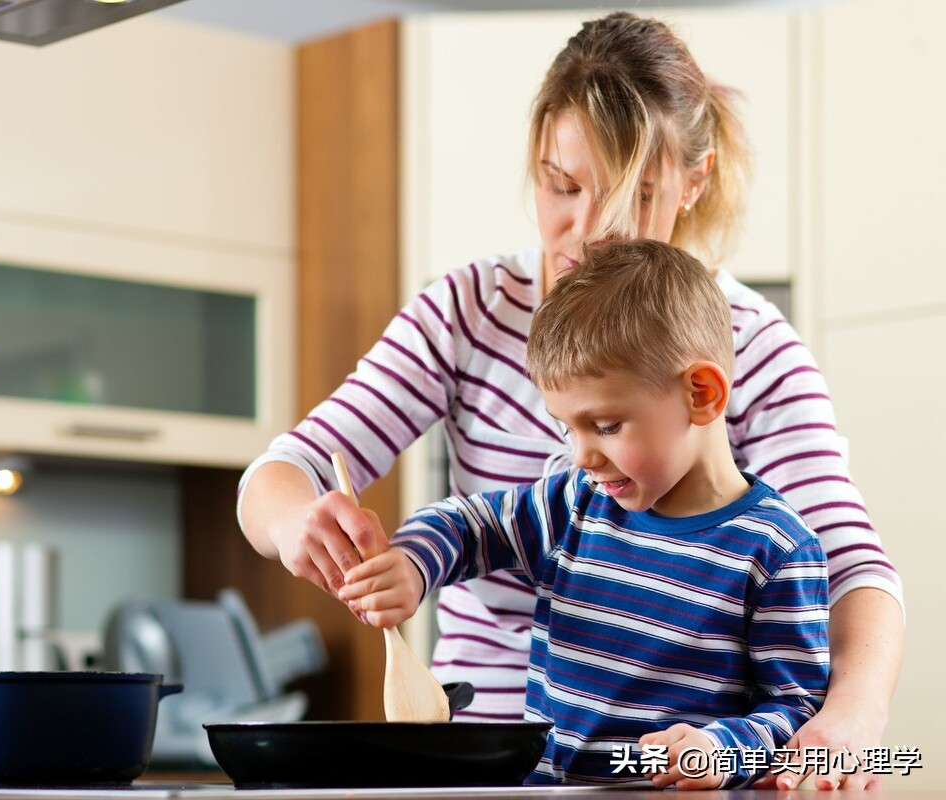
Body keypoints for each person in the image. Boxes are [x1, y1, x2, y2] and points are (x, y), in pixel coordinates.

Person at [237, 11, 902, 791]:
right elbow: (293, 474)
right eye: (562, 186)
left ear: (694, 181)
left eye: (631, 196)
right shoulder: (470, 312)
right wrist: (302, 526)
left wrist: (849, 718)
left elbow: (847, 563)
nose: (586, 232)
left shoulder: (755, 350)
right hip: (491, 758)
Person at [338, 238, 830, 788]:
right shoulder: (574, 503)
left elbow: (796, 712)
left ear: (702, 394)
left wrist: (720, 750)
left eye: (606, 426)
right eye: (567, 428)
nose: (582, 456)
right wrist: (412, 563)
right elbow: (469, 524)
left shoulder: (778, 551)